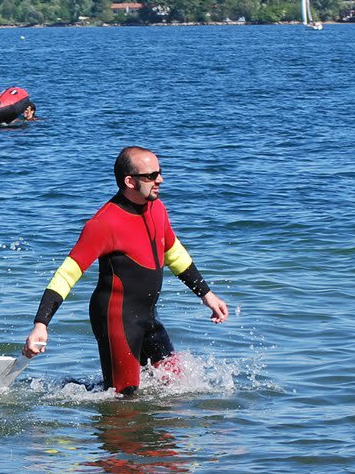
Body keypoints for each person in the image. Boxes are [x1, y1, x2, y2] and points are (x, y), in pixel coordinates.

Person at [22, 146, 228, 394]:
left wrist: (207, 295)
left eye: (159, 173)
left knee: (177, 385)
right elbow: (66, 275)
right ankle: (60, 394)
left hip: (148, 316)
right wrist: (40, 324)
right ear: (130, 181)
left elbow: (174, 254)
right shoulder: (103, 225)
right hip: (116, 321)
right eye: (151, 175)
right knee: (123, 400)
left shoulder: (157, 209)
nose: (160, 180)